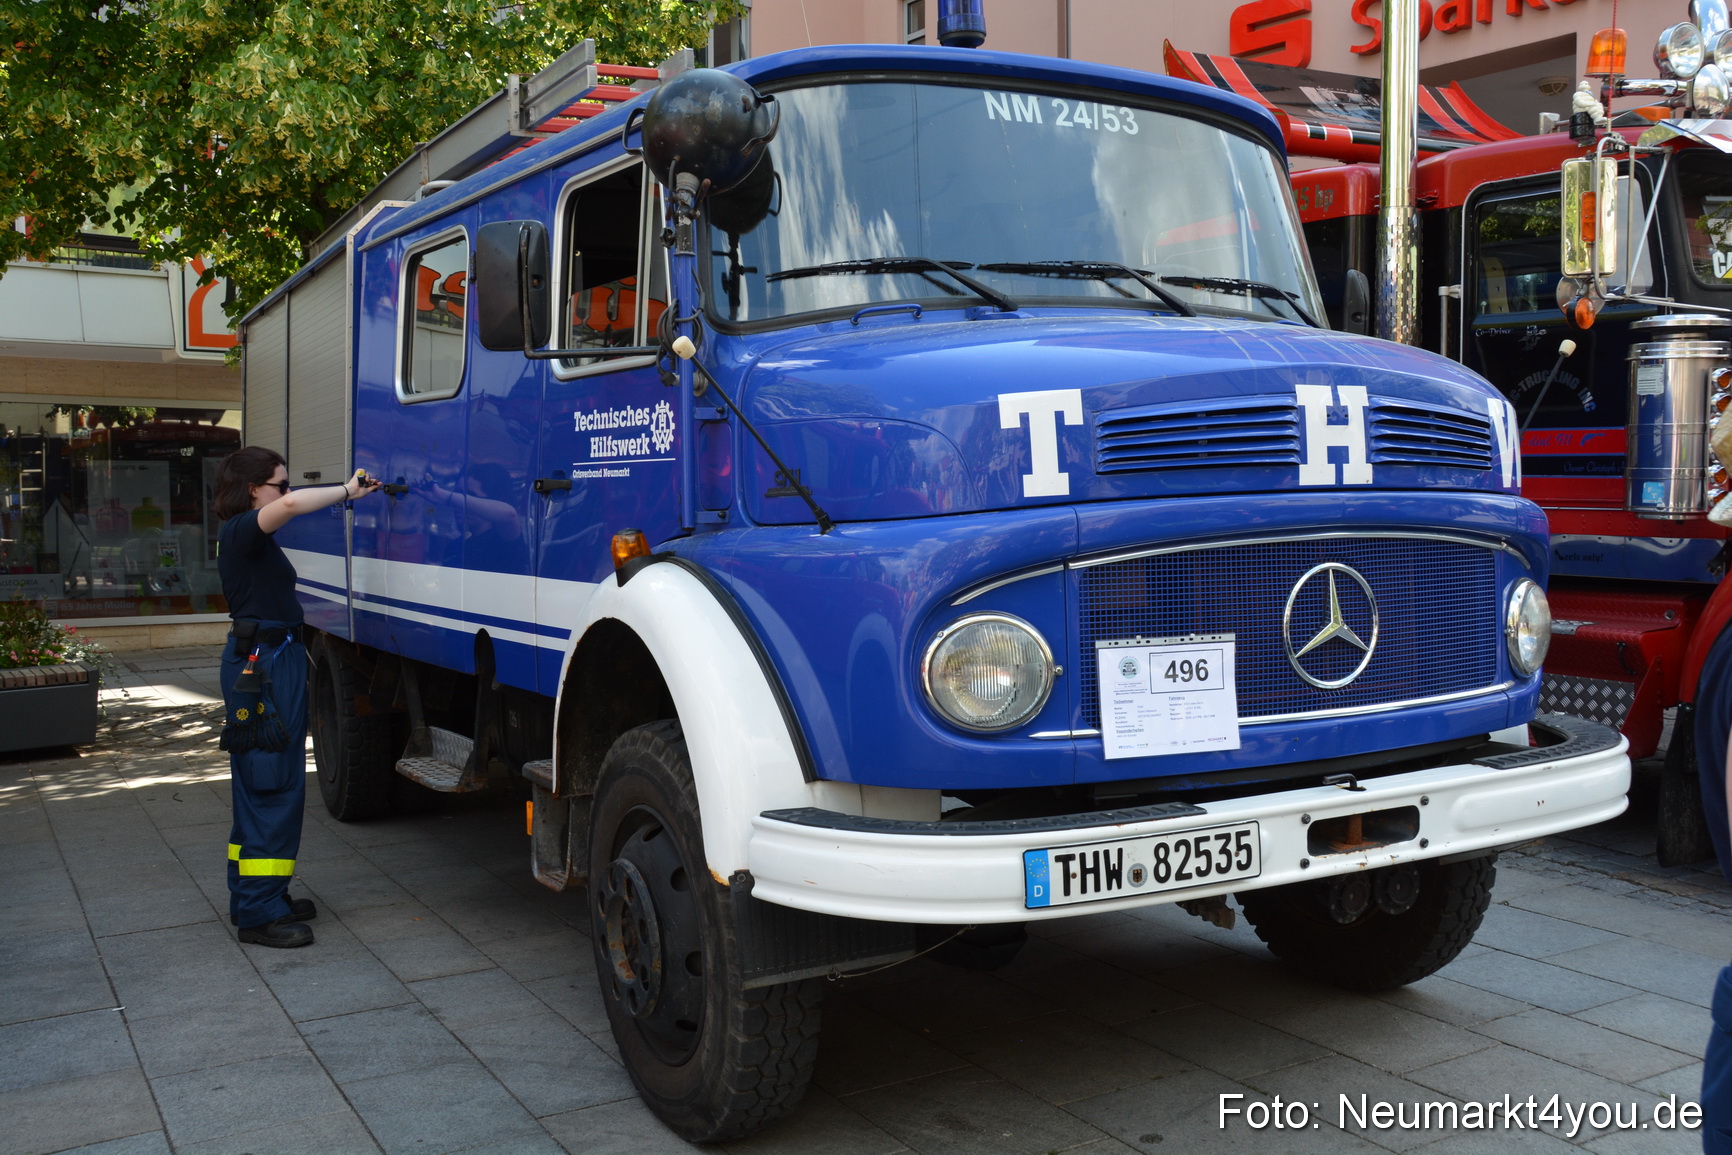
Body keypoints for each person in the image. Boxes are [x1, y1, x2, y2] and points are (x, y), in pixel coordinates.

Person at [212, 448, 381, 947]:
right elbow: (287, 509)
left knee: (261, 784)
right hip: (262, 668)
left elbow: (283, 509)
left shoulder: (246, 538)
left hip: (264, 662)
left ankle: (258, 895)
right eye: (280, 484)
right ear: (253, 490)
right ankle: (260, 914)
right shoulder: (243, 529)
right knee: (272, 785)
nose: (286, 493)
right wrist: (347, 491)